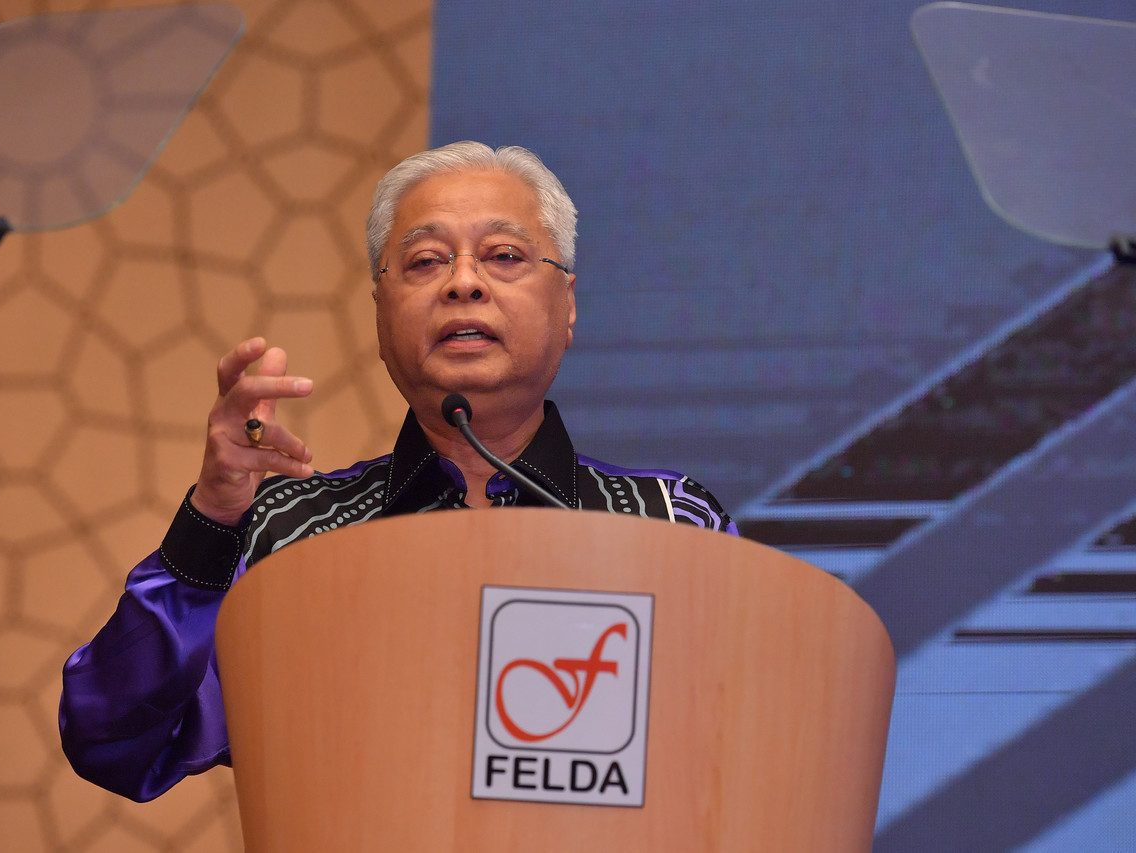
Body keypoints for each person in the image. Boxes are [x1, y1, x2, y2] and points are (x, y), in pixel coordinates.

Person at [59, 141, 737, 801]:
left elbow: (750, 759)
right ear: (381, 316)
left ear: (568, 305)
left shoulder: (674, 526)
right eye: (424, 261)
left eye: (503, 256)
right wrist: (211, 515)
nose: (463, 281)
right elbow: (113, 740)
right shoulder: (292, 537)